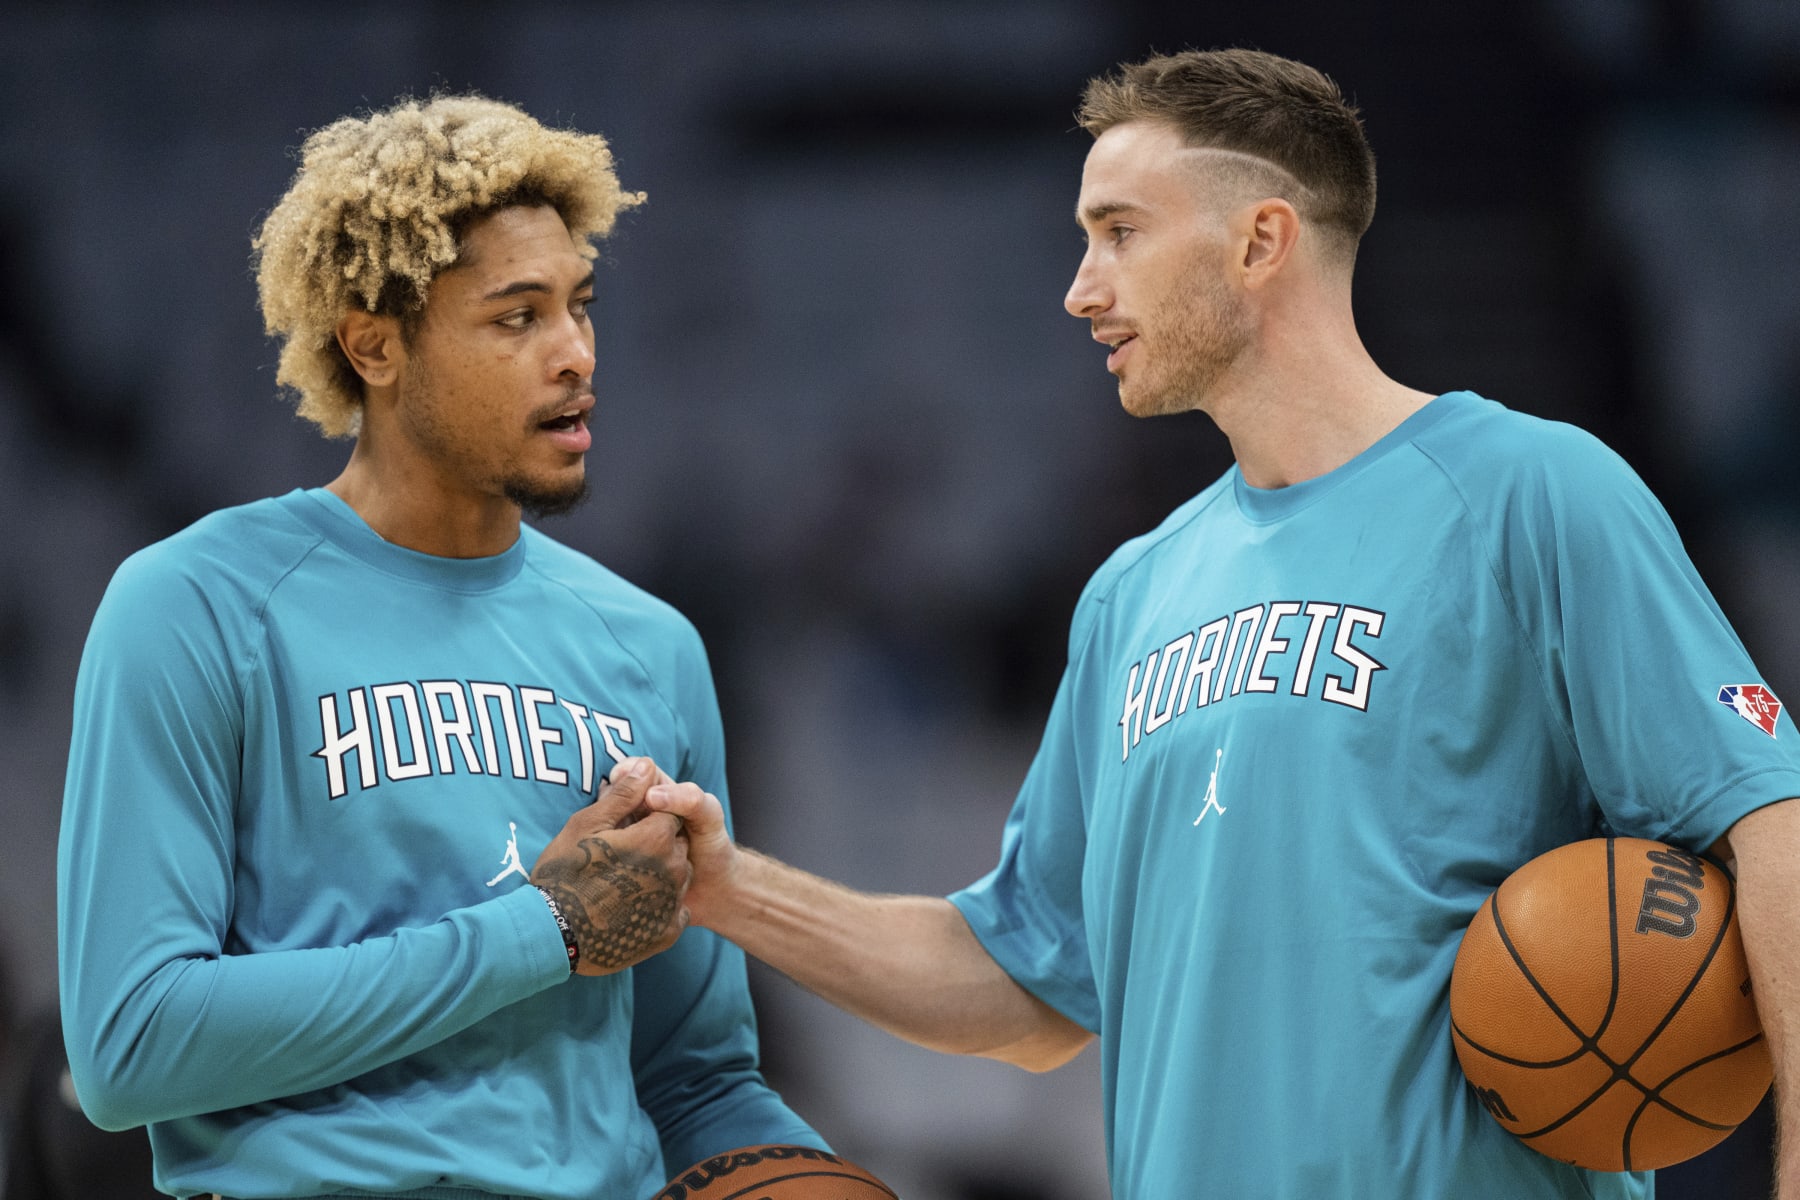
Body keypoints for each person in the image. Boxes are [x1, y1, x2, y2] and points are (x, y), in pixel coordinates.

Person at [642, 48, 1800, 1199]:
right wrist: (726, 890)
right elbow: (1025, 988)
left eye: (1122, 232)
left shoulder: (1528, 492)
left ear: (1260, 242)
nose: (1081, 288)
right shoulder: (1132, 593)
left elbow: (1768, 817)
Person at [57, 94, 824, 1200]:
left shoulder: (651, 647)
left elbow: (693, 1077)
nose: (574, 355)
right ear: (373, 344)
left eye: (581, 306)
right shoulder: (196, 606)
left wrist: (806, 1174)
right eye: (517, 318)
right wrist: (543, 929)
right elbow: (132, 1046)